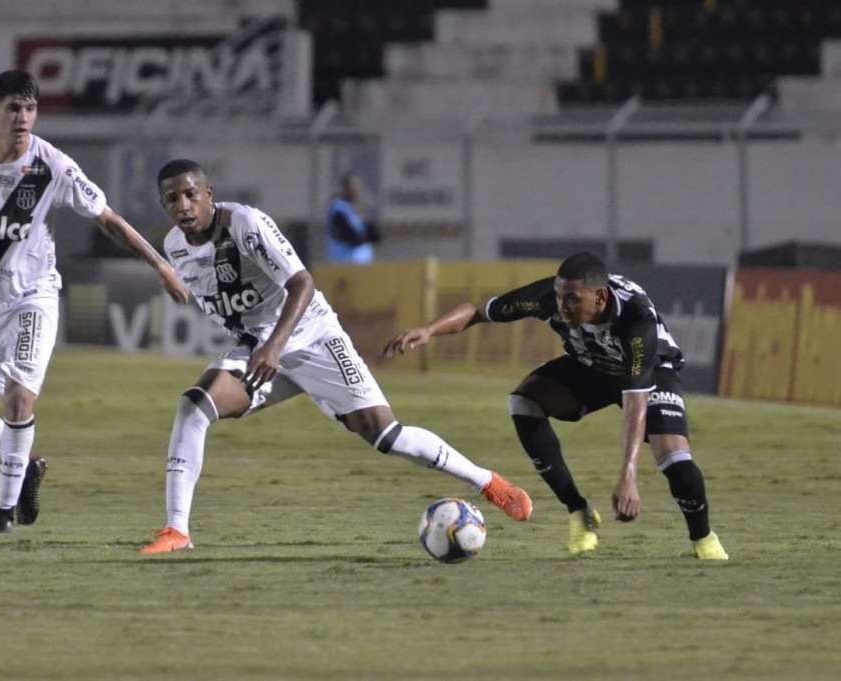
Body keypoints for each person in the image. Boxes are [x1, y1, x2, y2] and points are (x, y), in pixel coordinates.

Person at [137, 159, 531, 554]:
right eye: (172, 199)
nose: (183, 205)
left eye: (191, 194)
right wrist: (260, 344)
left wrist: (275, 347)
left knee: (387, 436)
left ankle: (488, 482)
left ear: (208, 194)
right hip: (258, 348)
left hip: (313, 337)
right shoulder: (174, 247)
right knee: (194, 407)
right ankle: (177, 530)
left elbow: (302, 283)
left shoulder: (246, 224)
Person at [0, 70, 189, 533]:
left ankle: (2, 514)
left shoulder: (52, 166)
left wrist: (161, 265)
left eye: (31, 109)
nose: (23, 118)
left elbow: (108, 220)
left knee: (19, 397)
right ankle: (26, 466)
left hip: (33, 296)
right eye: (14, 108)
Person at [382, 252, 729, 560]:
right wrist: (429, 330)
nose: (561, 307)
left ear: (600, 297)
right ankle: (579, 511)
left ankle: (703, 538)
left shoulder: (636, 319)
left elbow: (635, 399)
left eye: (572, 300)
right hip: (591, 367)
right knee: (523, 402)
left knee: (676, 460)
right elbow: (476, 311)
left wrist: (628, 476)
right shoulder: (549, 297)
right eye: (560, 297)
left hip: (652, 372)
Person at [324, 173, 379, 263]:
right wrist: (364, 236)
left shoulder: (359, 207)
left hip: (361, 261)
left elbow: (375, 236)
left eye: (358, 185)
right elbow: (349, 235)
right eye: (353, 185)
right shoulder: (338, 207)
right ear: (345, 187)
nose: (357, 189)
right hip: (343, 260)